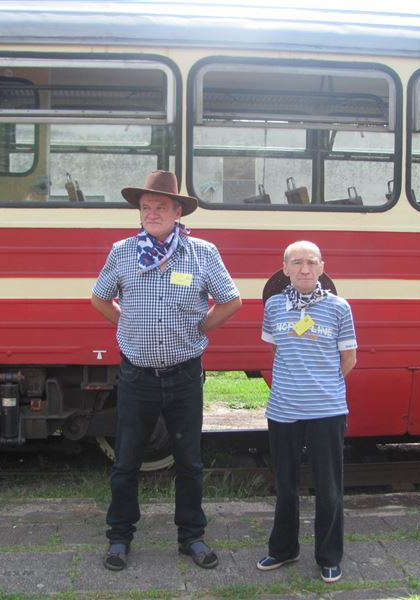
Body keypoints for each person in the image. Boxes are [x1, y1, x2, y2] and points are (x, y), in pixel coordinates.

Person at [91, 170, 242, 572]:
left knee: (189, 463)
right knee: (126, 462)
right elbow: (99, 297)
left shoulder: (202, 253)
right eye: (146, 207)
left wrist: (201, 327)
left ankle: (191, 537)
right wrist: (126, 323)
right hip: (137, 377)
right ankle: (119, 537)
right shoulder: (122, 252)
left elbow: (231, 300)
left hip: (184, 376)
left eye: (160, 206)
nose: (152, 213)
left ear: (178, 212)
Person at [256, 240, 357, 584]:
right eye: (297, 262)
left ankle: (329, 556)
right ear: (285, 269)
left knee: (328, 487)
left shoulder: (339, 307)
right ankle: (284, 549)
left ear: (322, 268)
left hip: (326, 411)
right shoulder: (273, 306)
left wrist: (321, 386)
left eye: (311, 262)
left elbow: (349, 358)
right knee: (285, 486)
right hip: (283, 410)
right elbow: (276, 352)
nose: (304, 269)